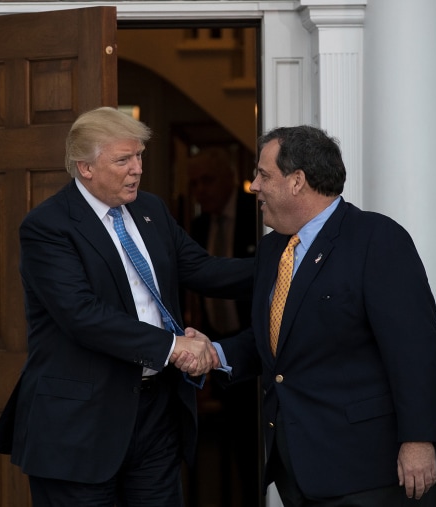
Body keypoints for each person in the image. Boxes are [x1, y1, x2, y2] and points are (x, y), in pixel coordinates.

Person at [0, 106, 254, 506]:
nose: (137, 169)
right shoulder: (49, 226)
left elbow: (203, 269)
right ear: (85, 167)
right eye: (123, 159)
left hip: (156, 413)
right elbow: (82, 315)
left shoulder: (151, 210)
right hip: (81, 427)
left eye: (139, 156)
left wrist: (288, 265)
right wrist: (173, 347)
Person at [197, 125, 436, 506]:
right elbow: (277, 343)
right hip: (301, 469)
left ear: (297, 181)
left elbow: (414, 351)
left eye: (263, 174)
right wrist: (213, 354)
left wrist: (419, 440)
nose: (253, 185)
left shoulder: (375, 238)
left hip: (372, 470)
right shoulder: (274, 250)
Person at [186, 146, 261, 507]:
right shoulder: (198, 226)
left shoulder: (258, 215)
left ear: (230, 177)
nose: (201, 190)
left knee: (255, 446)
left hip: (258, 349)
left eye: (208, 179)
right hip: (216, 350)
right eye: (195, 183)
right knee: (229, 443)